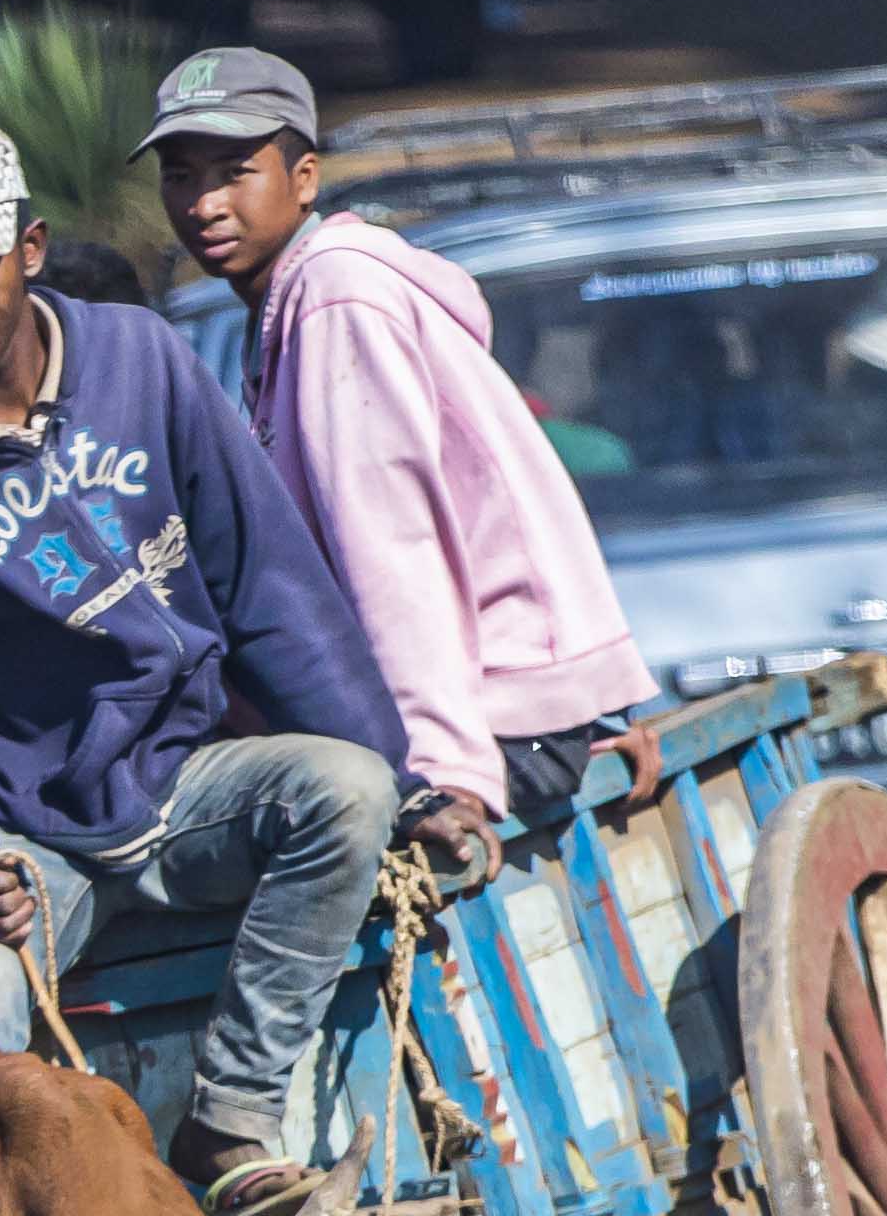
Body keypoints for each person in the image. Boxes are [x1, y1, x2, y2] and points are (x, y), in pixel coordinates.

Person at [0, 113, 406, 1216]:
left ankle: (230, 1121)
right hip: (24, 836)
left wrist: (397, 778)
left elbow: (267, 583)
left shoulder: (141, 361)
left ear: (28, 249)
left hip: (183, 783)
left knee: (348, 790)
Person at [146, 47, 651, 875]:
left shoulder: (336, 297)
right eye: (179, 176)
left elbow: (393, 548)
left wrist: (438, 779)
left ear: (303, 177)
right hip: (489, 711)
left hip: (486, 725)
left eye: (235, 172)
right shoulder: (285, 305)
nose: (203, 203)